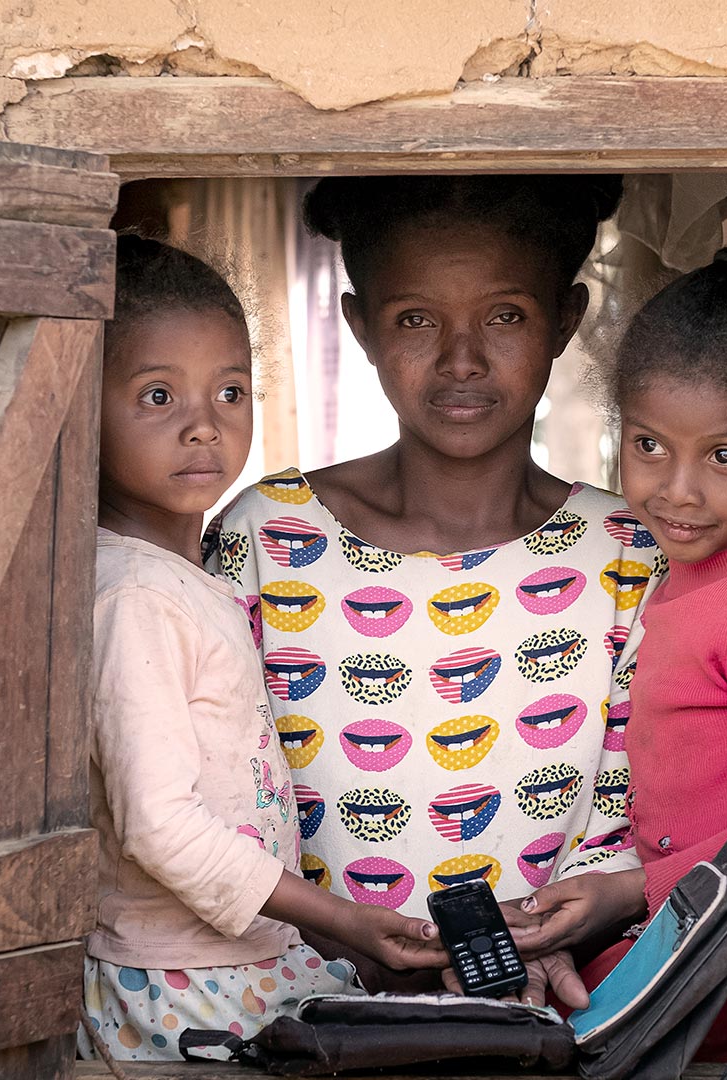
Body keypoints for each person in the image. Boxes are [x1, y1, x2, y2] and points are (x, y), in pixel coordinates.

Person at [208, 176, 652, 1007]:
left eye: (506, 316)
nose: (462, 360)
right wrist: (332, 933)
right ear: (359, 328)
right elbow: (210, 793)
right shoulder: (264, 536)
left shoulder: (626, 551)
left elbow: (630, 805)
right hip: (297, 1005)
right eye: (416, 319)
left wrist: (580, 918)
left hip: (540, 1014)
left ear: (565, 319)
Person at [82, 236, 445, 1063]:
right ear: (83, 406)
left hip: (233, 960)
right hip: (181, 983)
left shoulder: (179, 577)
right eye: (158, 396)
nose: (203, 425)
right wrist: (337, 918)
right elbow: (160, 826)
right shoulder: (135, 598)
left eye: (230, 391)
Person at [508, 208, 727, 1061]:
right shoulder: (685, 569)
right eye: (650, 445)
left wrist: (629, 893)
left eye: (723, 456)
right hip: (675, 924)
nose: (677, 490)